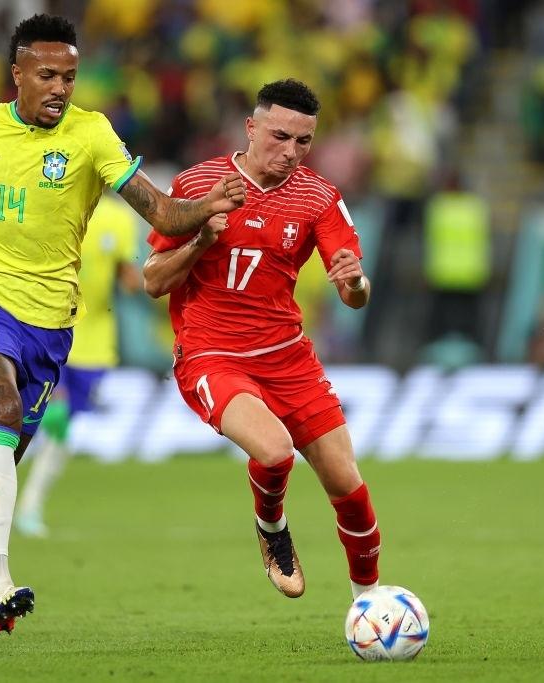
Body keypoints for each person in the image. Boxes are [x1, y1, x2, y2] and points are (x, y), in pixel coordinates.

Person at [0, 14, 245, 637]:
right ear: (18, 75)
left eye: (71, 77)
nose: (61, 87)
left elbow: (158, 208)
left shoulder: (92, 134)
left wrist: (206, 206)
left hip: (52, 325)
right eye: (48, 75)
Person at [142, 79, 381, 601]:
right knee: (274, 453)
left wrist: (356, 281)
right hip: (211, 354)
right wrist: (202, 237)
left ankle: (371, 603)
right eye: (280, 136)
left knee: (348, 485)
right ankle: (271, 529)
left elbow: (354, 294)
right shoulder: (198, 184)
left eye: (304, 141)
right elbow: (155, 281)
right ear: (251, 128)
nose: (291, 151)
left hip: (288, 356)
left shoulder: (319, 197)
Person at [14, 193, 141, 537]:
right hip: (47, 326)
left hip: (94, 341)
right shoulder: (52, 201)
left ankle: (27, 503)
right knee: (49, 415)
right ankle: (5, 491)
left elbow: (128, 278)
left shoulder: (118, 218)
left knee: (59, 427)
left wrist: (154, 276)